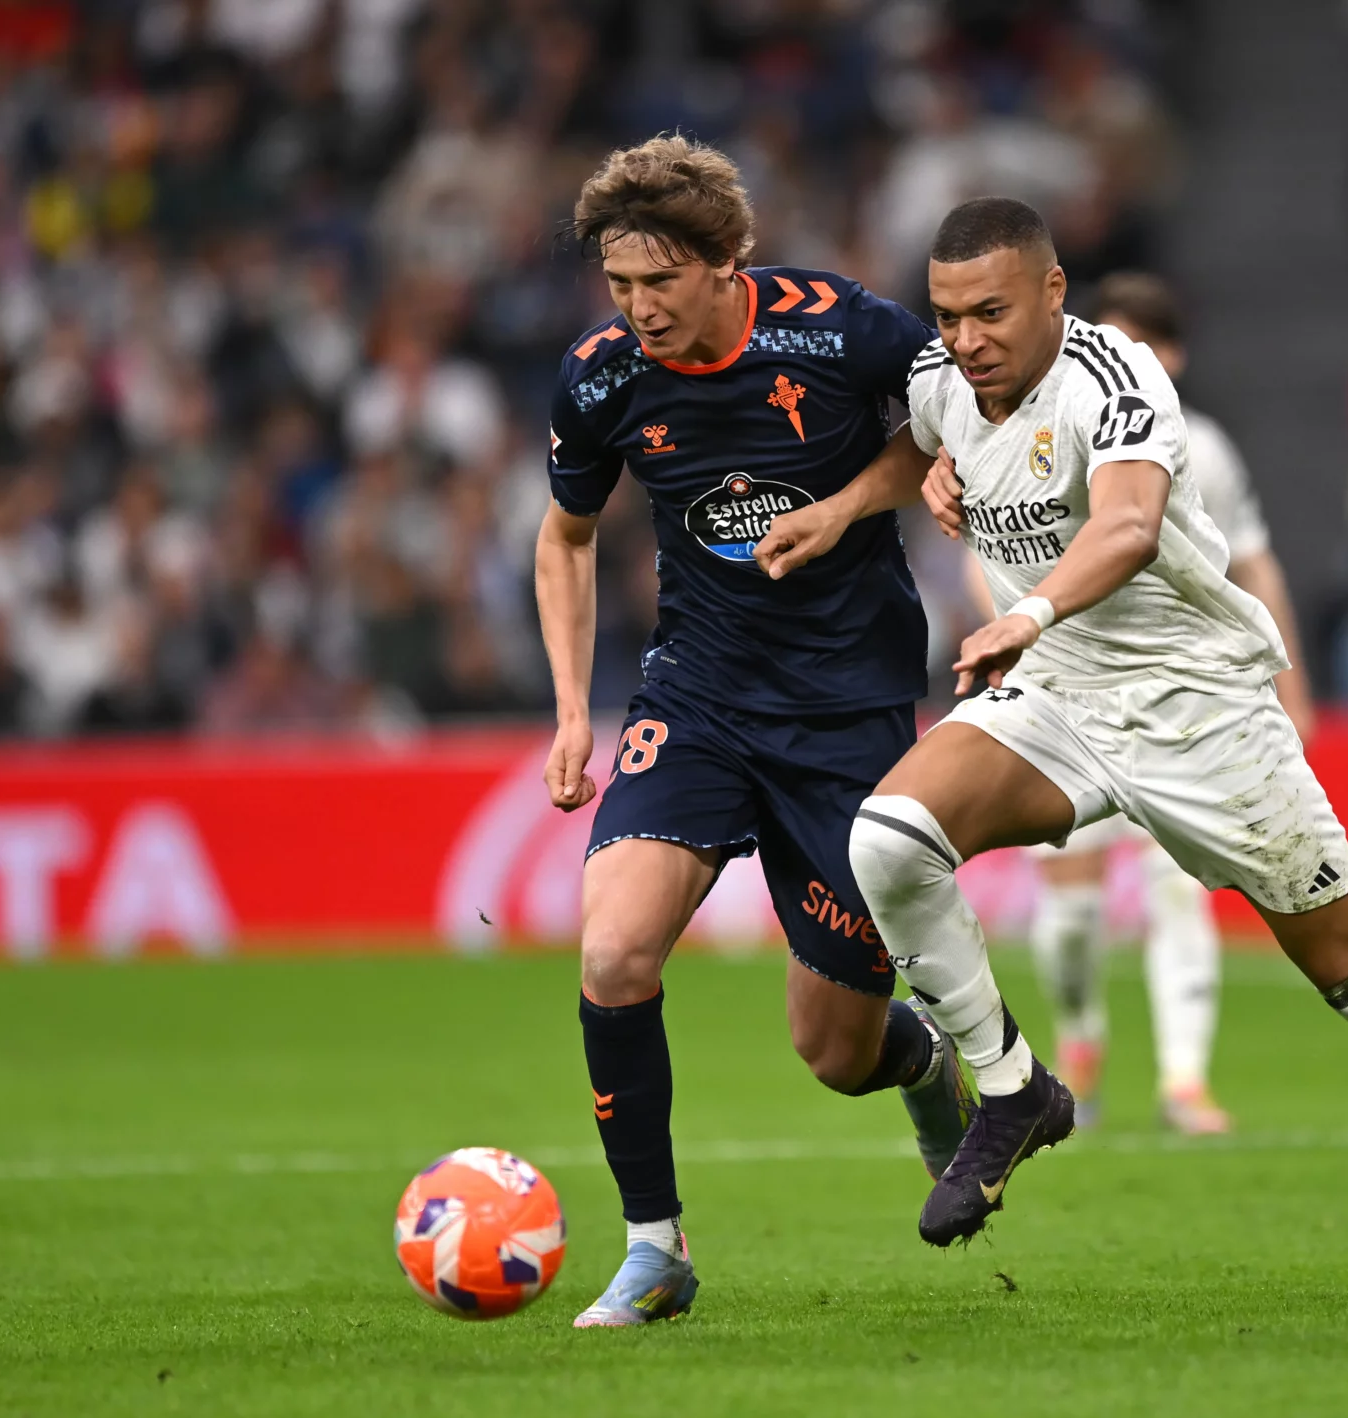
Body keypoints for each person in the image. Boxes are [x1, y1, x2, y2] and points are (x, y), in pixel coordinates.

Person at [754, 198, 1348, 1300]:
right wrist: (844, 507)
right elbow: (918, 437)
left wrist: (1029, 613)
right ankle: (1013, 1086)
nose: (965, 337)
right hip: (1064, 699)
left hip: (1201, 710)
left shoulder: (1116, 379)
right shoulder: (943, 380)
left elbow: (1125, 525)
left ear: (1055, 294)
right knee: (890, 839)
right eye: (949, 313)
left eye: (990, 312)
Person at [536, 136, 969, 1328]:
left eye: (658, 284)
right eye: (618, 287)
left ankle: (921, 1057)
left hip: (848, 713)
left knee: (834, 1050)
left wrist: (850, 503)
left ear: (730, 261)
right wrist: (576, 707)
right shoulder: (602, 376)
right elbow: (565, 538)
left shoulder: (840, 330)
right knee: (615, 951)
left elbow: (950, 416)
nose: (636, 312)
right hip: (700, 696)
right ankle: (654, 1246)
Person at [1014, 272, 1317, 1135]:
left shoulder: (1207, 449)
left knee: (1180, 891)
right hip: (1066, 697)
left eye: (1134, 342)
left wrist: (1291, 688)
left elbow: (1254, 563)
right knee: (1070, 919)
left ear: (1170, 355)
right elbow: (992, 554)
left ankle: (1185, 1079)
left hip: (1181, 698)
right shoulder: (1041, 428)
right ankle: (1079, 1039)